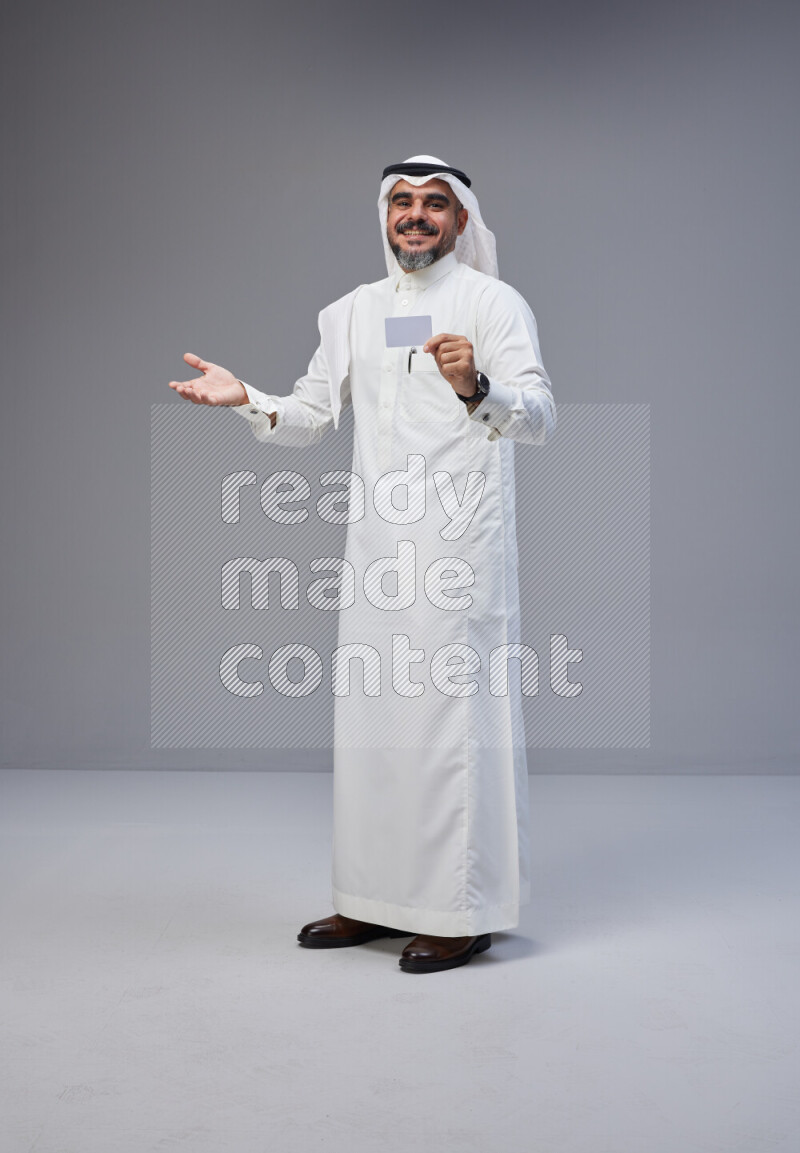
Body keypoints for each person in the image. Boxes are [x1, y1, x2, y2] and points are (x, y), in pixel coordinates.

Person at [168, 155, 556, 973]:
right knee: (374, 723)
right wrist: (249, 400)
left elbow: (540, 415)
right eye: (403, 203)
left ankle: (459, 909)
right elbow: (312, 414)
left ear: (459, 221)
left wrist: (475, 383)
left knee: (449, 723)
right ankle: (372, 900)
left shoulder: (491, 303)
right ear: (385, 215)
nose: (416, 216)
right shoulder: (350, 312)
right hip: (375, 550)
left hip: (458, 547)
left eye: (435, 204)